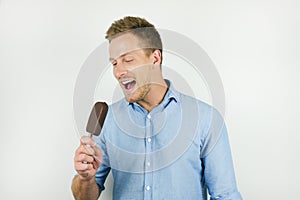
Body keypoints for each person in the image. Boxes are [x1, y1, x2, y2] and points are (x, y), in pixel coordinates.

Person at [71, 16, 242, 200]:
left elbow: (225, 196)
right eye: (114, 63)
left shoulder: (206, 119)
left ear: (155, 58)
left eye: (128, 60)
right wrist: (86, 179)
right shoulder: (108, 120)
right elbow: (85, 197)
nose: (118, 72)